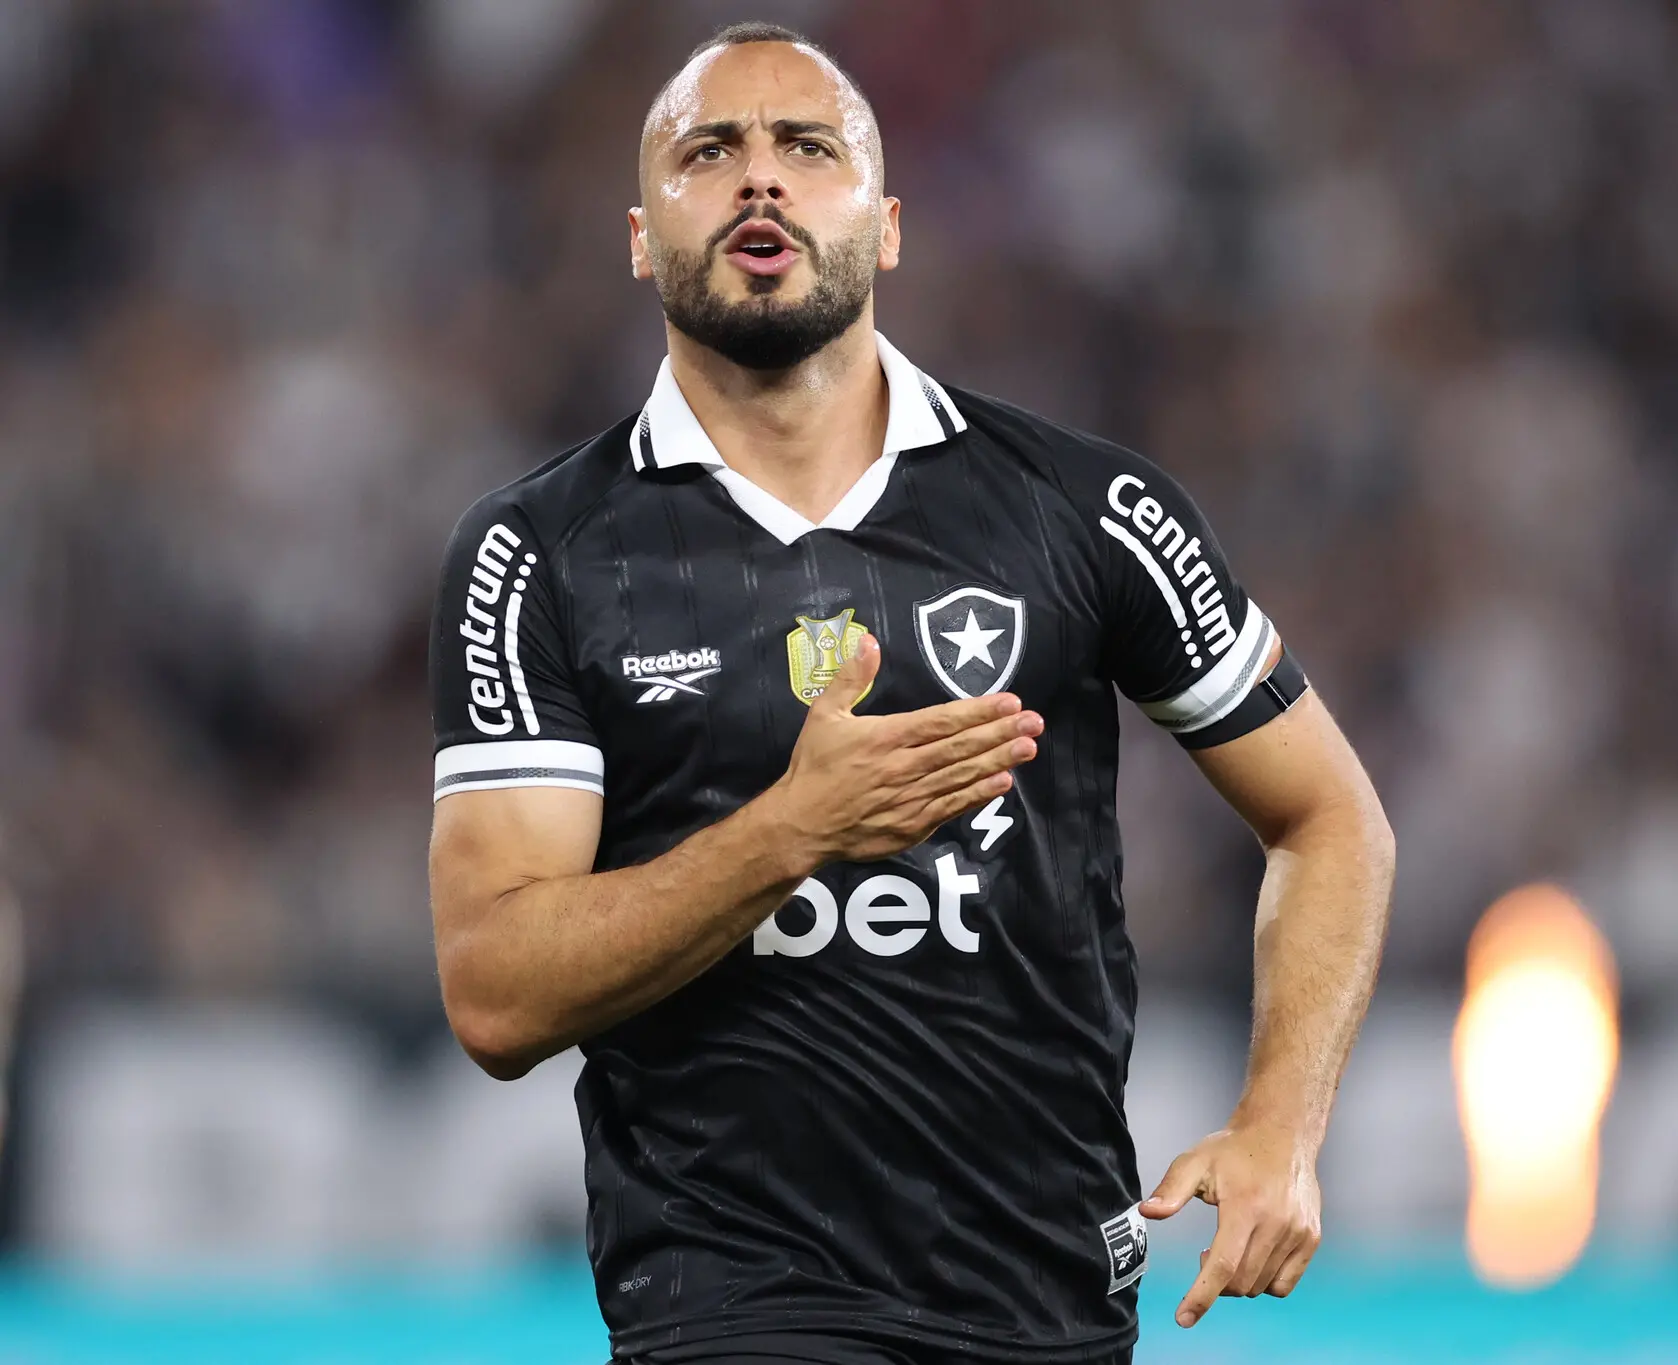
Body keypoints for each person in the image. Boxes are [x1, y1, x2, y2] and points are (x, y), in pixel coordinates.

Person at [426, 21, 1395, 1365]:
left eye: (805, 149)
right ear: (642, 236)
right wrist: (791, 834)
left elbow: (1331, 818)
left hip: (1047, 1297)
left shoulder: (1084, 507)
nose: (759, 181)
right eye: (709, 153)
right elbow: (494, 992)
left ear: (883, 227)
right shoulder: (540, 556)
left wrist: (1283, 1127)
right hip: (734, 1305)